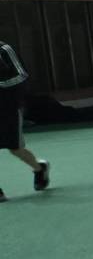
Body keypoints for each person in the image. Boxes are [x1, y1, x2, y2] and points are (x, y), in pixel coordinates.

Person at [0, 40, 49, 202]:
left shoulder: (4, 50)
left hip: (8, 108)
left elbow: (21, 76)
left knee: (15, 149)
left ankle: (39, 168)